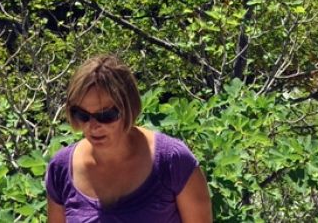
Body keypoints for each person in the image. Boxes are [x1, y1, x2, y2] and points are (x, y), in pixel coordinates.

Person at [45, 54, 213, 223]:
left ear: (128, 108)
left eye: (106, 115)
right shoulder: (61, 170)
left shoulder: (173, 161)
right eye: (82, 115)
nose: (93, 125)